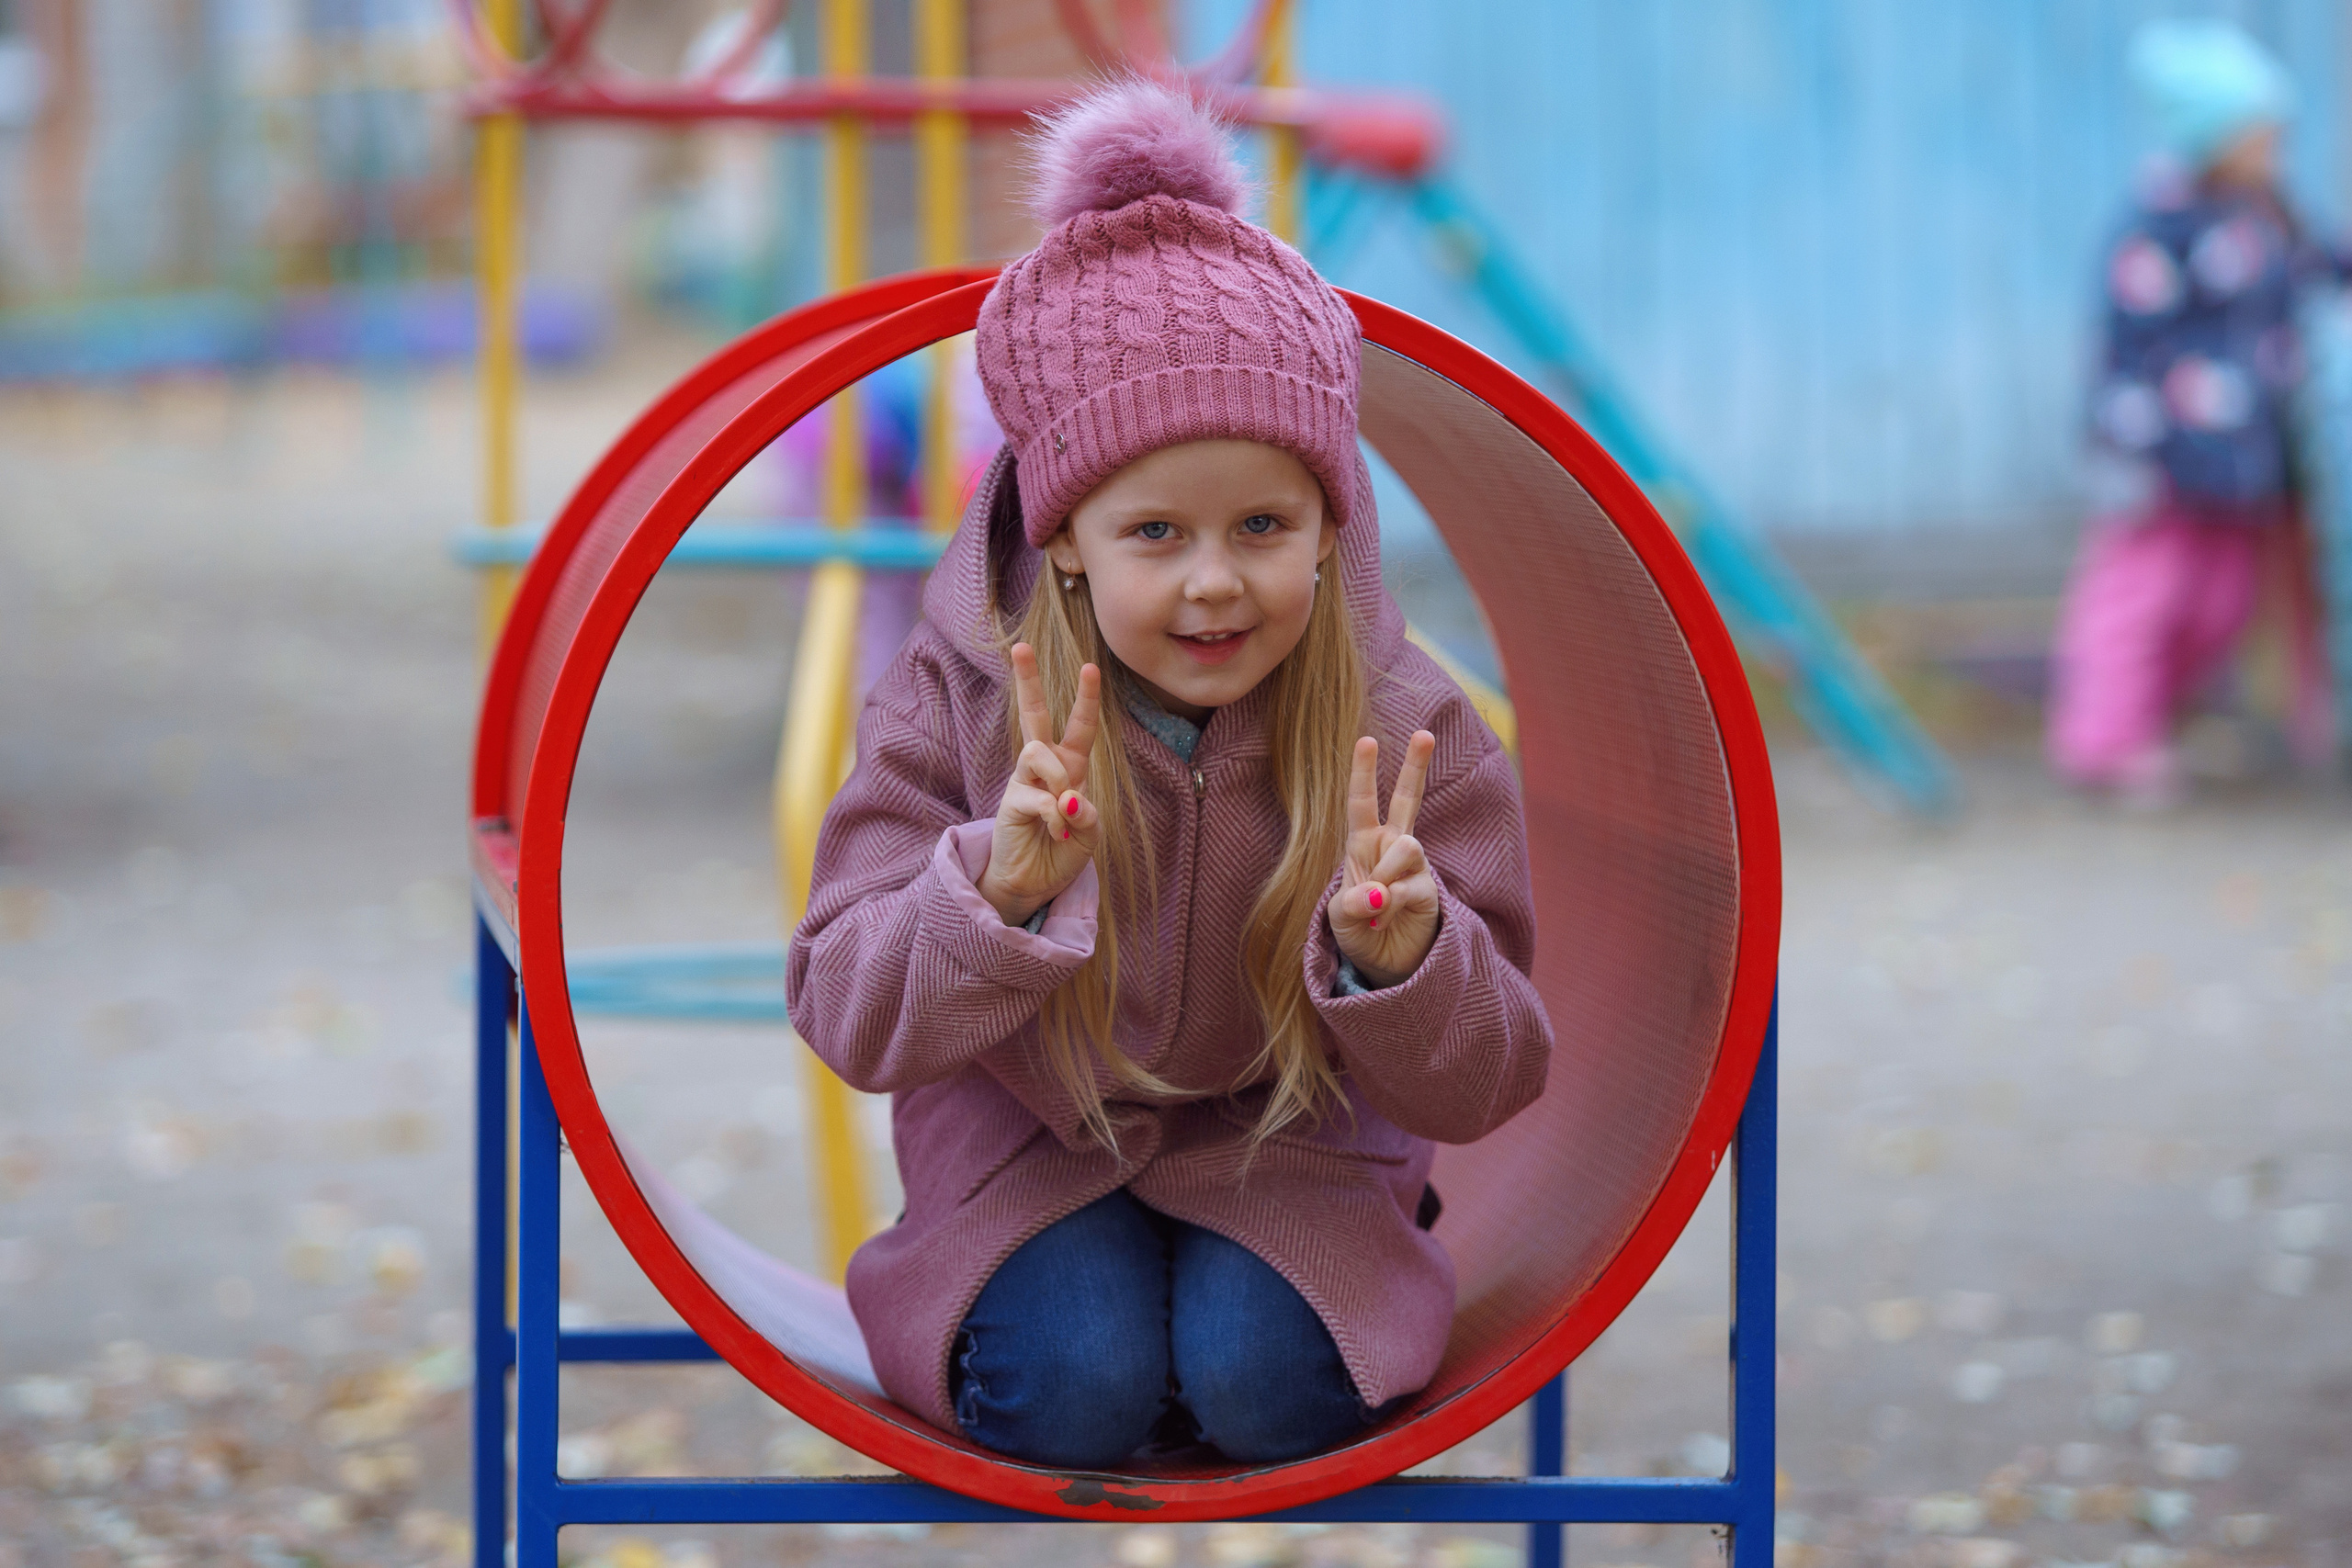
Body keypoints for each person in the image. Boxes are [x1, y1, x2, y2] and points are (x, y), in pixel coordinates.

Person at [783, 79, 1553, 1469]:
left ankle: (1237, 1330)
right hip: (1029, 1138)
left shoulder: (1400, 719)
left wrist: (1405, 961)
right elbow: (845, 1011)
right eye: (1156, 533)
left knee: (1269, 1389)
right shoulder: (956, 696)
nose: (1214, 582)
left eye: (1262, 525)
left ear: (1330, 524)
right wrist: (993, 893)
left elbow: (1496, 1077)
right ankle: (1106, 1334)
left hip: (1292, 1139)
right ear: (1064, 536)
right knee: (1069, 1388)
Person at [2047, 18, 2339, 803]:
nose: (2275, 150)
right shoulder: (2157, 228)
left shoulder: (2267, 216)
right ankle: (2103, 742)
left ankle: (2152, 722)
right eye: (2262, 136)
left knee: (2223, 603)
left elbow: (2320, 269)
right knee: (2140, 597)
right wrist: (2136, 445)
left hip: (2242, 463)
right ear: (2215, 138)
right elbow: (2127, 347)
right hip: (2160, 458)